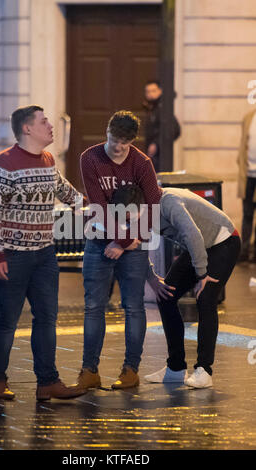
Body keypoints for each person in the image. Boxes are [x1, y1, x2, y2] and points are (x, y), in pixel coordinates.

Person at [0, 105, 86, 401]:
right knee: (7, 319)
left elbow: (65, 192)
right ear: (27, 129)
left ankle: (47, 382)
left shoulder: (48, 160)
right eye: (44, 122)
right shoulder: (1, 165)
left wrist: (92, 207)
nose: (50, 126)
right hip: (11, 255)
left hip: (43, 254)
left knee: (46, 317)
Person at [74, 110, 162, 391]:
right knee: (93, 307)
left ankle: (131, 370)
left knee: (134, 307)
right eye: (114, 139)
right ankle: (89, 371)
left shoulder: (141, 162)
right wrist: (120, 241)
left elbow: (154, 205)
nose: (118, 147)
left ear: (132, 141)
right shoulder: (90, 158)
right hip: (99, 240)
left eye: (125, 142)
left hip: (132, 244)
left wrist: (124, 243)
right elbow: (98, 205)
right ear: (107, 131)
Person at [145, 187, 241, 388]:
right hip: (198, 245)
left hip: (223, 240)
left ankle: (204, 370)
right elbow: (137, 246)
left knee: (205, 298)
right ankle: (176, 368)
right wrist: (152, 278)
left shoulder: (168, 202)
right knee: (166, 295)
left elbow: (192, 234)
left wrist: (202, 274)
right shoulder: (135, 211)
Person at [143, 80, 181, 173]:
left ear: (160, 91)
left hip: (161, 155)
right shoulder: (152, 108)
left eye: (153, 91)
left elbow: (175, 129)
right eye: (148, 91)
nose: (150, 94)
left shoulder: (162, 108)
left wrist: (156, 144)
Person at [237, 108, 256, 263]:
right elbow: (243, 144)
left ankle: (255, 252)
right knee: (247, 213)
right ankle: (244, 251)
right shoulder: (249, 117)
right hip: (248, 174)